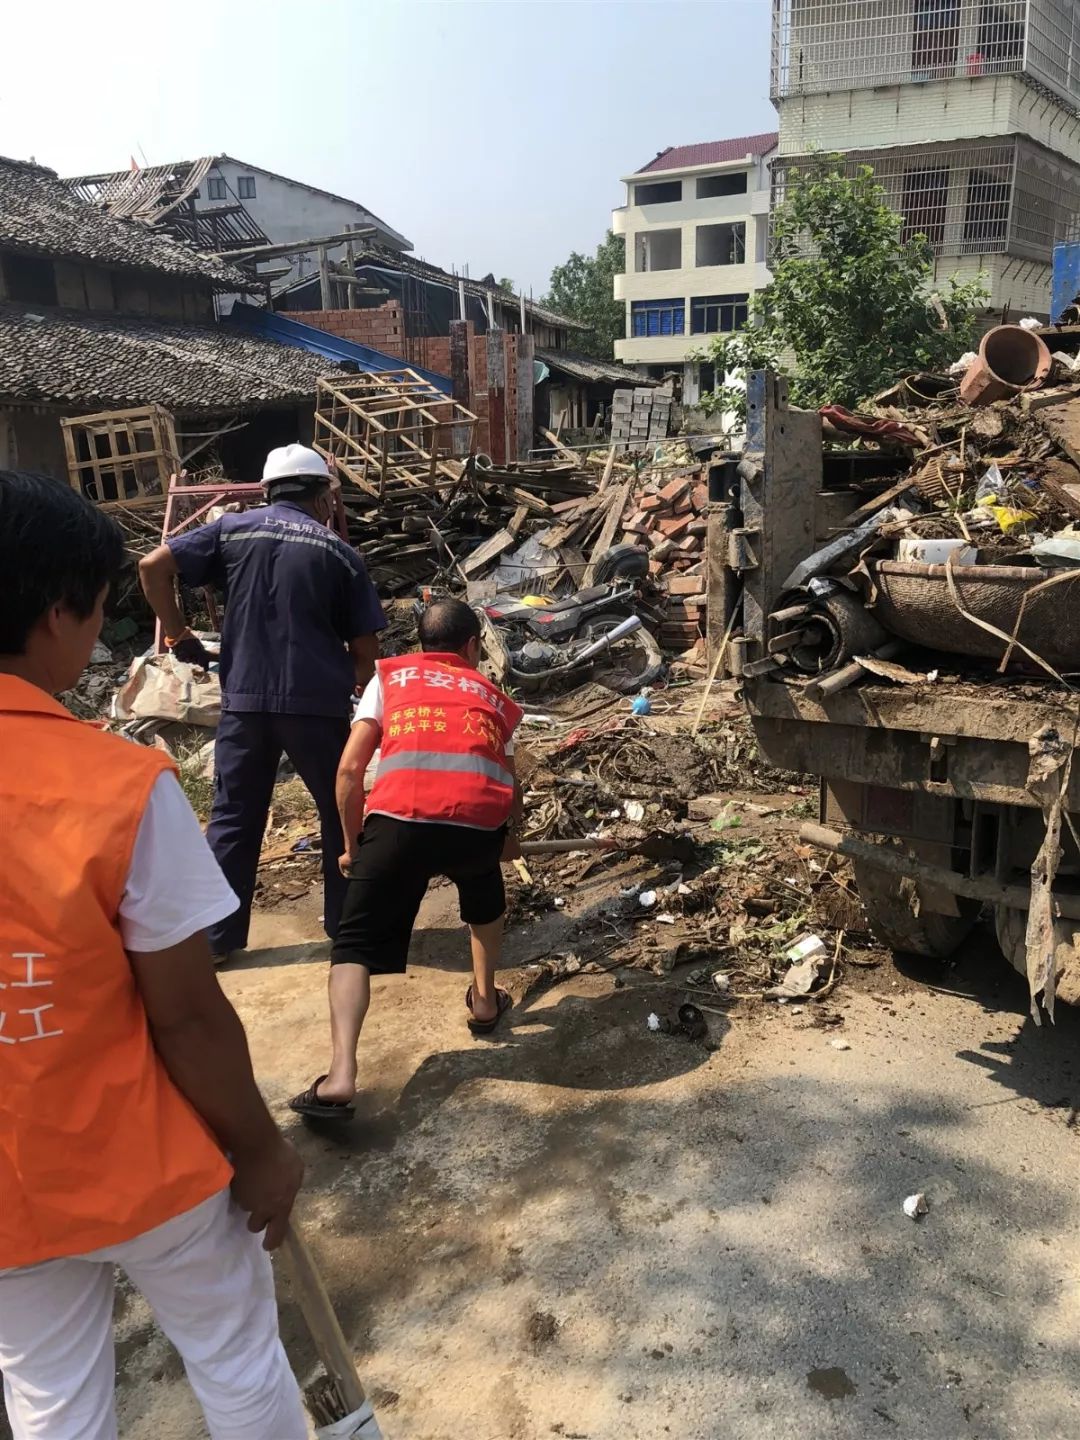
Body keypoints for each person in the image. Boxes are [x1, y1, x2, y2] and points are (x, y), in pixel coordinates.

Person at [0, 470, 307, 1440]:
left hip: (9, 1193)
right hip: (140, 1166)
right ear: (58, 612)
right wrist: (259, 1146)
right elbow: (185, 1010)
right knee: (237, 1355)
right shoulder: (116, 786)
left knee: (50, 1404)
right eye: (96, 613)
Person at [140, 444, 385, 964]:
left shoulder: (231, 530)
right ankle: (348, 931)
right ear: (321, 496)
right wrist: (348, 687)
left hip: (244, 703)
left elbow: (152, 565)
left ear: (269, 489)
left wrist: (178, 632)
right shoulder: (340, 553)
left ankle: (216, 942)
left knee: (233, 817)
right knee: (339, 812)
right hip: (317, 706)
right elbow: (366, 654)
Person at [290, 598, 523, 1121]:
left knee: (353, 944)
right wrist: (506, 838)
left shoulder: (388, 679)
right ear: (471, 647)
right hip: (477, 828)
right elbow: (512, 781)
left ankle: (340, 1076)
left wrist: (352, 845)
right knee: (484, 900)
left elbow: (350, 771)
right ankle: (484, 1003)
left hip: (399, 824)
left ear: (421, 643)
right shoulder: (493, 696)